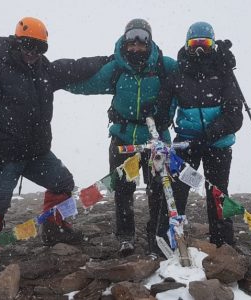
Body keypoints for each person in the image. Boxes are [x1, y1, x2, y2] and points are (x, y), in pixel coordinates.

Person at [0, 17, 109, 277]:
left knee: (62, 182)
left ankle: (54, 229)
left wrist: (107, 61)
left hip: (36, 153)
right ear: (16, 42)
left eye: (39, 48)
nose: (32, 52)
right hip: (4, 155)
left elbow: (75, 67)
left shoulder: (46, 72)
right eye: (28, 45)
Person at [65, 19, 178, 257]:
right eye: (131, 38)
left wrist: (215, 64)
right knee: (123, 189)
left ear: (149, 40)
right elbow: (87, 84)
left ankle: (156, 237)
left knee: (158, 189)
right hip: (123, 139)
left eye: (142, 38)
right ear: (125, 40)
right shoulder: (116, 68)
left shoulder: (164, 66)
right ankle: (126, 238)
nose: (136, 45)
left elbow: (188, 81)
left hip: (157, 139)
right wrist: (53, 81)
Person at [156, 21, 244, 247]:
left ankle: (222, 244)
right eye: (194, 44)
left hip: (218, 145)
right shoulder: (178, 75)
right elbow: (165, 112)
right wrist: (158, 113)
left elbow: (234, 117)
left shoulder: (224, 75)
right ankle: (170, 240)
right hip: (186, 145)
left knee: (218, 193)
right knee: (177, 190)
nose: (198, 50)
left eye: (204, 44)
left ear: (213, 45)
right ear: (186, 45)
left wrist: (206, 138)